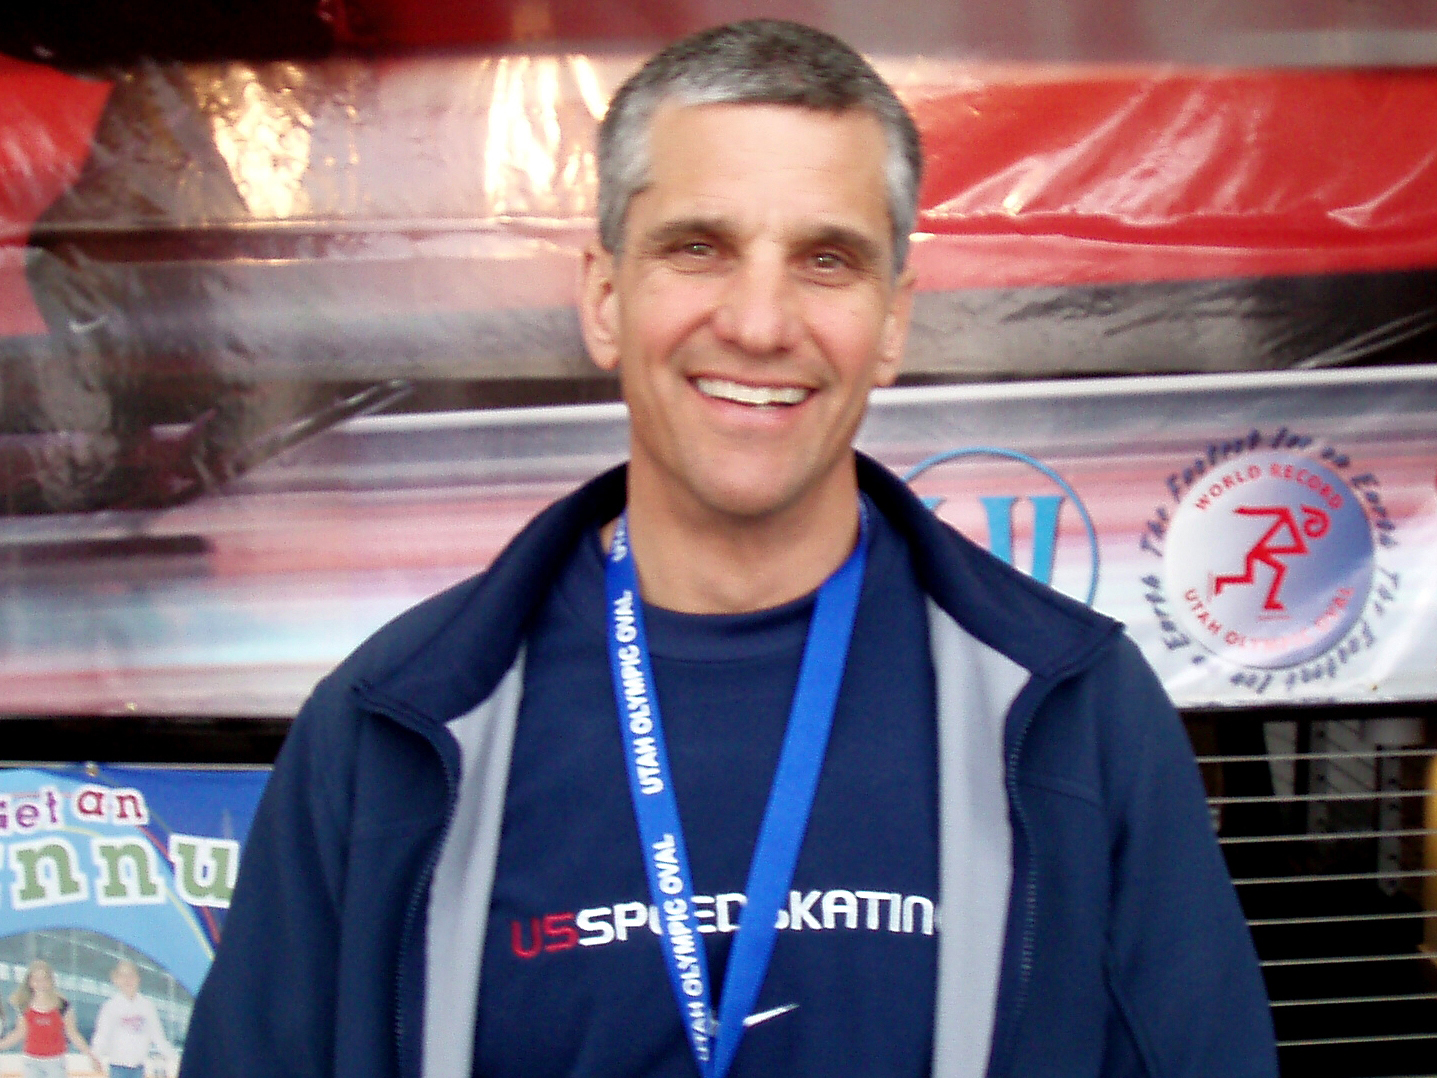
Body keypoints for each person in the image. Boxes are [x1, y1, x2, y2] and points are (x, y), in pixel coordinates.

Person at [180, 19, 1277, 1078]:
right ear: (604, 298)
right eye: (698, 248)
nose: (759, 322)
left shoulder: (1076, 716)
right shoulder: (390, 727)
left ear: (892, 323)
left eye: (826, 259)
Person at [0, 959, 100, 1078]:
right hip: (32, 1061)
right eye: (36, 980)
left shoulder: (63, 1006)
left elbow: (72, 1033)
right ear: (30, 982)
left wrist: (90, 1055)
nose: (40, 983)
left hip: (55, 1061)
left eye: (44, 979)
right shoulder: (24, 1006)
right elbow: (19, 1033)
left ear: (51, 981)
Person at [91, 960, 179, 1078]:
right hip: (117, 1068)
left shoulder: (147, 1006)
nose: (127, 980)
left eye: (131, 975)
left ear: (138, 978)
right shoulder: (110, 1007)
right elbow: (102, 1035)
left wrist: (176, 1058)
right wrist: (95, 1056)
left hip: (139, 1069)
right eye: (123, 976)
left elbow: (158, 1037)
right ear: (116, 979)